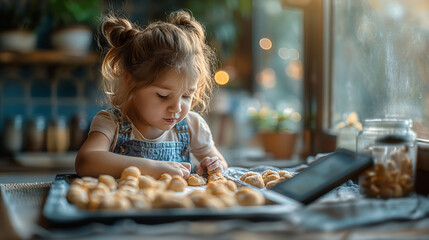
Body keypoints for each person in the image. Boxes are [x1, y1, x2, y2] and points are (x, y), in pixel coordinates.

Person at [75, 10, 228, 180]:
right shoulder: (112, 124)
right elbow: (85, 161)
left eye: (186, 95)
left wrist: (211, 166)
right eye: (163, 95)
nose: (176, 108)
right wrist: (152, 167)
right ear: (130, 81)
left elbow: (220, 163)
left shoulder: (192, 126)